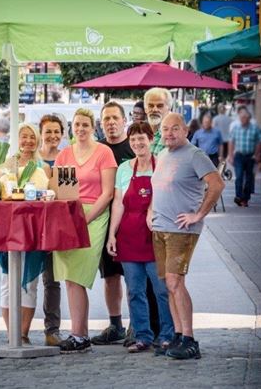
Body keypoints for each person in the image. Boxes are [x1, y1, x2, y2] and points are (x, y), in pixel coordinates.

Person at [151, 113, 224, 360]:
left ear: (185, 131)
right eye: (165, 129)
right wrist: (151, 211)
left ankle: (190, 340)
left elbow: (217, 185)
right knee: (168, 284)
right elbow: (158, 187)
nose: (169, 133)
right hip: (161, 228)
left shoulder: (195, 155)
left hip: (181, 230)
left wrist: (199, 215)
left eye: (175, 129)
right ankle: (179, 336)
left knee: (174, 282)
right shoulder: (162, 155)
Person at [106, 122, 174, 354]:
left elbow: (166, 195)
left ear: (150, 139)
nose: (137, 143)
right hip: (129, 235)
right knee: (135, 291)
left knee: (161, 289)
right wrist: (111, 235)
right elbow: (117, 203)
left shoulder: (161, 165)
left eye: (141, 138)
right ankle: (143, 336)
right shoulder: (124, 168)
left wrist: (152, 209)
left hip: (155, 234)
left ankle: (167, 335)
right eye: (133, 139)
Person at [53, 108, 117, 353]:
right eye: (77, 125)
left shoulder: (104, 152)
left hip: (95, 215)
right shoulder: (65, 154)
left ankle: (79, 333)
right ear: (72, 127)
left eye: (85, 125)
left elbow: (108, 193)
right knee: (70, 277)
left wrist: (86, 217)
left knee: (79, 274)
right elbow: (62, 189)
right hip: (68, 213)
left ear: (93, 127)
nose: (80, 129)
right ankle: (79, 334)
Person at [0, 124, 49, 344]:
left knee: (30, 282)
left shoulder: (42, 167)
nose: (28, 141)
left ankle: (23, 333)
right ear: (17, 139)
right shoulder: (6, 166)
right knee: (7, 282)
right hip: (7, 232)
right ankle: (11, 333)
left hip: (33, 231)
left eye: (32, 137)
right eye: (23, 136)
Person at [91, 102, 136, 346]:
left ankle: (136, 325)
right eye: (106, 119)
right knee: (110, 276)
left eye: (114, 118)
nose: (110, 123)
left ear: (124, 120)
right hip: (104, 221)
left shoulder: (134, 146)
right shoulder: (99, 150)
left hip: (131, 222)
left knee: (133, 275)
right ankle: (116, 324)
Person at [37, 114, 65, 345]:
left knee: (52, 280)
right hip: (33, 224)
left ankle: (51, 330)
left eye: (57, 132)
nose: (53, 136)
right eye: (48, 131)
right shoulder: (31, 159)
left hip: (56, 225)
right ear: (41, 133)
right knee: (25, 281)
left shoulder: (66, 158)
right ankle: (20, 329)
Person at [228, 107, 261, 207]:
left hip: (250, 156)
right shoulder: (236, 128)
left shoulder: (254, 128)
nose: (243, 119)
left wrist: (257, 154)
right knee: (239, 176)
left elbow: (259, 142)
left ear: (248, 118)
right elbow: (231, 141)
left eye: (245, 118)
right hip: (239, 155)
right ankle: (238, 196)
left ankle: (245, 198)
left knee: (249, 178)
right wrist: (230, 155)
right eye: (241, 117)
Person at [144, 87, 173, 155]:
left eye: (160, 106)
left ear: (169, 108)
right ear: (145, 109)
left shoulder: (174, 136)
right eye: (151, 105)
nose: (155, 109)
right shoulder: (140, 131)